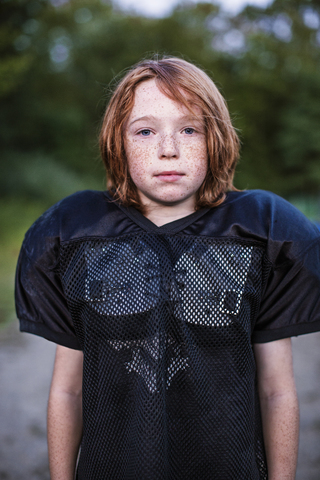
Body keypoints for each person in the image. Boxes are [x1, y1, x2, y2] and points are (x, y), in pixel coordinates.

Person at [15, 56, 320, 480]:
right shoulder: (75, 232)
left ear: (215, 138)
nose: (168, 148)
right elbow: (68, 389)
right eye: (145, 130)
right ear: (117, 142)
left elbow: (277, 389)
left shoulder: (262, 229)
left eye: (189, 129)